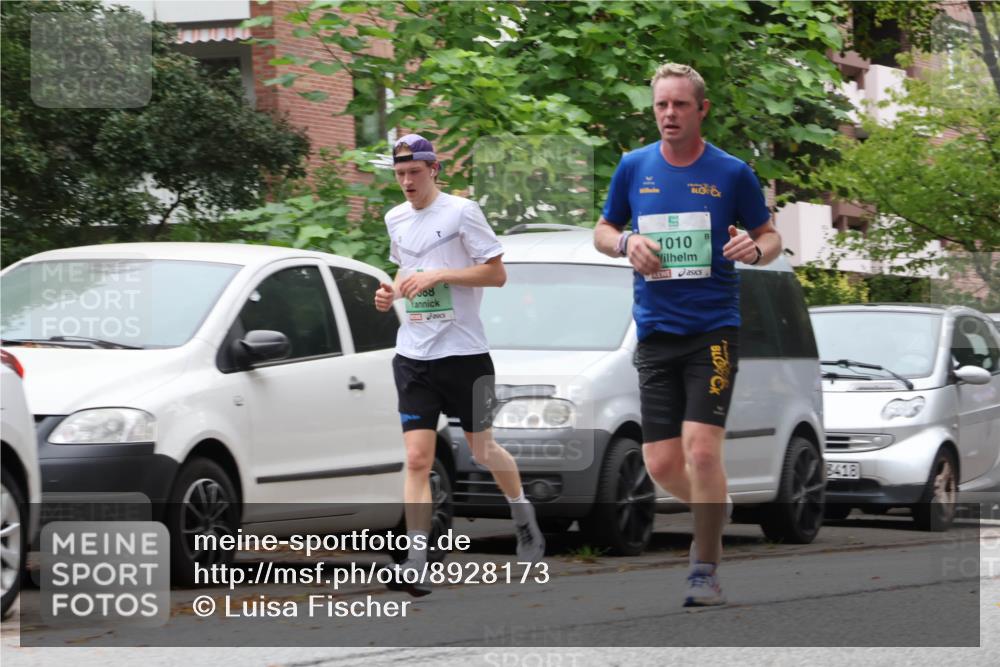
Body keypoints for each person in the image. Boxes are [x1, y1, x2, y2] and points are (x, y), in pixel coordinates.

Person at [593, 64, 782, 607]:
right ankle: (713, 509)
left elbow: (770, 237)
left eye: (679, 105)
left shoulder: (732, 173)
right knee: (661, 465)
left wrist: (755, 248)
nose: (669, 115)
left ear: (702, 109)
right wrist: (625, 242)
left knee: (701, 451)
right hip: (654, 332)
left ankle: (704, 568)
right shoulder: (634, 168)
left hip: (713, 332)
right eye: (660, 106)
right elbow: (601, 230)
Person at [374, 133, 545, 597]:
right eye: (400, 174)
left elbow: (497, 273)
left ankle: (522, 515)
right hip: (413, 355)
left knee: (483, 450)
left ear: (434, 169)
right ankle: (415, 560)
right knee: (416, 458)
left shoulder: (462, 212)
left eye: (415, 172)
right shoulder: (395, 218)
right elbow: (405, 273)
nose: (407, 182)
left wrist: (442, 274)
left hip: (466, 354)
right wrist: (390, 293)